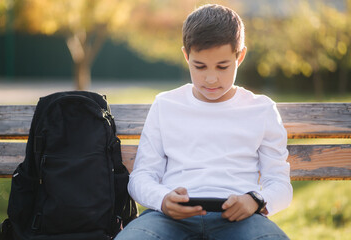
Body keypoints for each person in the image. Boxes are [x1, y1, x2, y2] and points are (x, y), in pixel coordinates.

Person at [116, 4, 292, 240]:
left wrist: (255, 200)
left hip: (240, 219)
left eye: (222, 66)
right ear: (186, 56)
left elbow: (280, 184)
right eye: (199, 66)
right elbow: (142, 176)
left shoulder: (261, 109)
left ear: (240, 56)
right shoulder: (166, 105)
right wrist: (163, 200)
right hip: (169, 219)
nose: (211, 79)